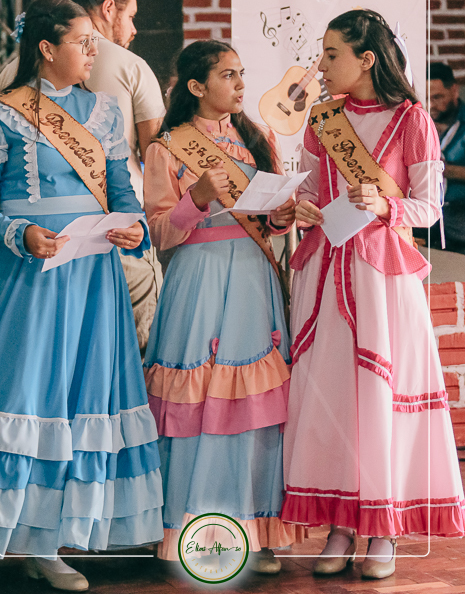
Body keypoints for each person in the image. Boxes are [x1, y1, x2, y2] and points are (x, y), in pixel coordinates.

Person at [0, 0, 163, 590]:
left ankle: (47, 544)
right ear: (47, 48)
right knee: (21, 397)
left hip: (91, 276)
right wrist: (20, 233)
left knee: (76, 400)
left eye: (95, 40)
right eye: (82, 41)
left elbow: (123, 194)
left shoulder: (104, 112)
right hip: (26, 276)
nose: (93, 51)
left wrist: (133, 227)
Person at [281, 10, 465, 580]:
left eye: (331, 54)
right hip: (325, 271)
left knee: (379, 396)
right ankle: (340, 524)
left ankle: (381, 527)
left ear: (366, 59)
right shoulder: (322, 119)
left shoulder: (412, 119)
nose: (321, 65)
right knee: (333, 397)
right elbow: (311, 190)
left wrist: (386, 205)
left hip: (381, 277)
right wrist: (301, 207)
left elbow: (429, 208)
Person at [142, 40, 302, 574]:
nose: (240, 84)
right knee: (200, 398)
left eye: (241, 73)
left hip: (253, 275)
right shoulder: (167, 148)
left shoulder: (258, 139)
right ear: (196, 86)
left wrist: (280, 217)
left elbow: (269, 219)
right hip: (200, 278)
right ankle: (195, 529)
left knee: (254, 401)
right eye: (228, 75)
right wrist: (197, 199)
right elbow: (159, 232)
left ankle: (256, 530)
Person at [0, 0, 165, 351]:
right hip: (112, 232)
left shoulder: (11, 71)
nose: (133, 29)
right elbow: (156, 158)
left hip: (33, 238)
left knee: (47, 348)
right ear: (108, 8)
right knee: (122, 345)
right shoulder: (130, 65)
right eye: (130, 15)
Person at [427, 62, 465, 253]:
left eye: (437, 97)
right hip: (426, 209)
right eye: (426, 98)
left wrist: (443, 169)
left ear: (454, 91)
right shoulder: (419, 122)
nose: (430, 105)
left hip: (460, 210)